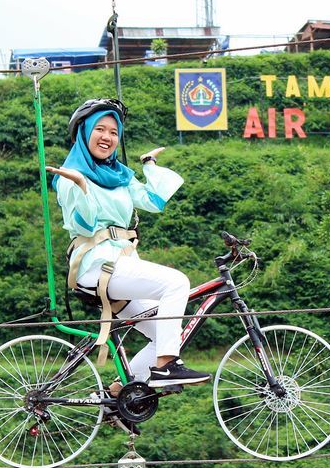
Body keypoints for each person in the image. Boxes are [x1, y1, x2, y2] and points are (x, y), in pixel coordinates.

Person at [46, 98, 210, 389]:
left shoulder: (118, 175)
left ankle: (120, 395)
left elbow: (152, 201)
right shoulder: (69, 177)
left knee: (167, 334)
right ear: (83, 132)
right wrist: (82, 187)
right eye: (100, 129)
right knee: (176, 283)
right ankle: (166, 367)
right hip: (96, 267)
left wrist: (149, 165)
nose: (107, 137)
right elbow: (83, 224)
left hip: (120, 267)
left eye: (113, 131)